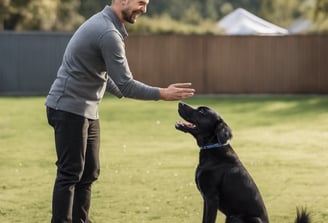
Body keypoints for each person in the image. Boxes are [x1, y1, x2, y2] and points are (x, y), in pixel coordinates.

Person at [45, 0, 195, 222]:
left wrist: (120, 91)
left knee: (89, 173)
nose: (144, 9)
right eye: (141, 3)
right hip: (68, 108)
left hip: (86, 110)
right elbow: (126, 83)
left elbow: (100, 74)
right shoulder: (107, 32)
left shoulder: (107, 26)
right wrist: (162, 93)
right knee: (70, 174)